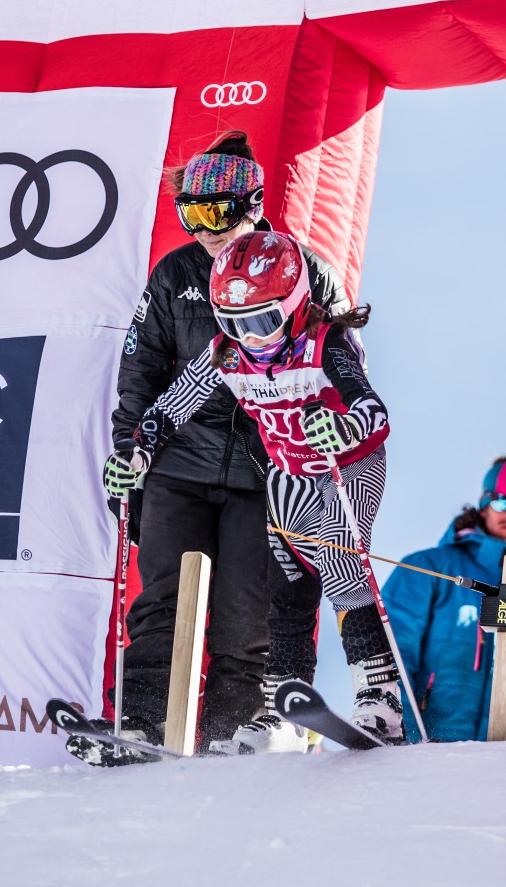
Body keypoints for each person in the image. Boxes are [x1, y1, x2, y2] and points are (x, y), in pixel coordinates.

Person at [71, 133, 349, 766]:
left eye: (218, 214)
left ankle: (231, 731)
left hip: (267, 471)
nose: (206, 231)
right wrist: (131, 456)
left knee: (246, 609)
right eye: (190, 215)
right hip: (179, 465)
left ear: (253, 203)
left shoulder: (302, 266)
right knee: (163, 596)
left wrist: (326, 455)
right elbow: (139, 372)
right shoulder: (176, 274)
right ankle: (142, 725)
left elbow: (336, 364)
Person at [108, 230, 401, 751]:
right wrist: (137, 452)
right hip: (286, 471)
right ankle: (280, 710)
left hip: (345, 466)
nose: (251, 337)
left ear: (291, 305)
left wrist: (344, 428)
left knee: (337, 566)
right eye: (233, 322)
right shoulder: (229, 353)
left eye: (263, 321)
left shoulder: (323, 341)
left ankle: (380, 701)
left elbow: (373, 411)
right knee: (284, 588)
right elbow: (168, 409)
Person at [385, 457, 506, 742]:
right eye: (502, 501)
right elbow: (395, 653)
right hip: (432, 746)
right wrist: (406, 733)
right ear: (484, 503)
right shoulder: (429, 567)